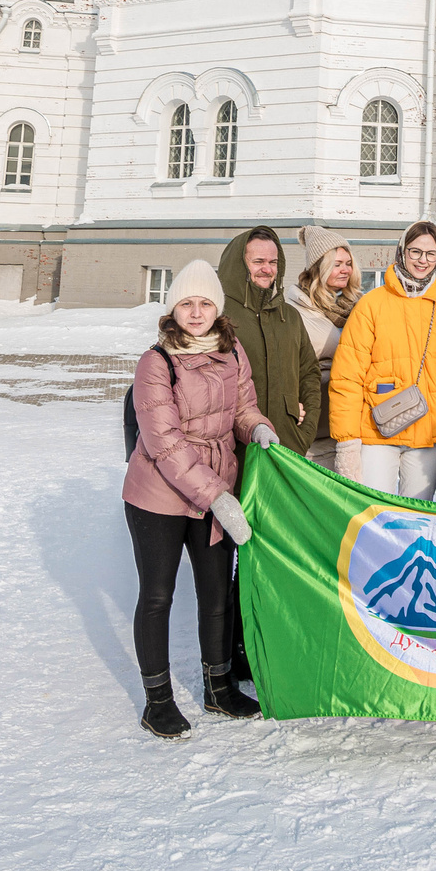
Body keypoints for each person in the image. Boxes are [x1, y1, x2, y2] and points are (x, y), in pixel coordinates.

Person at [124, 259, 276, 737]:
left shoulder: (232, 352)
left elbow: (243, 408)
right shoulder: (156, 361)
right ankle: (158, 700)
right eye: (186, 303)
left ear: (218, 308)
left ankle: (219, 688)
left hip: (216, 490)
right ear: (173, 308)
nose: (195, 312)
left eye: (205, 302)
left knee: (215, 595)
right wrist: (218, 497)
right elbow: (163, 442)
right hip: (158, 495)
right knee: (158, 596)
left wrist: (260, 430)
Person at [331, 221, 436, 499]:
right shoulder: (371, 304)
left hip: (428, 431)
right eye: (415, 251)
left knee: (417, 516)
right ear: (401, 251)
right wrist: (347, 441)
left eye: (431, 254)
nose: (422, 260)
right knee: (376, 514)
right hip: (377, 430)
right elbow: (347, 376)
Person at [219, 227, 321, 455]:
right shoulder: (218, 316)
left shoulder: (289, 316)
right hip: (235, 453)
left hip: (288, 447)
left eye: (273, 262)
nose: (267, 269)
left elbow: (309, 373)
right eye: (258, 261)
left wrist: (305, 432)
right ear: (240, 264)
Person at [286, 226, 360, 471]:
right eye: (337, 263)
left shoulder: (354, 305)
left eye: (348, 263)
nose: (345, 270)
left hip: (348, 419)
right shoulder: (296, 308)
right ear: (319, 266)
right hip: (313, 422)